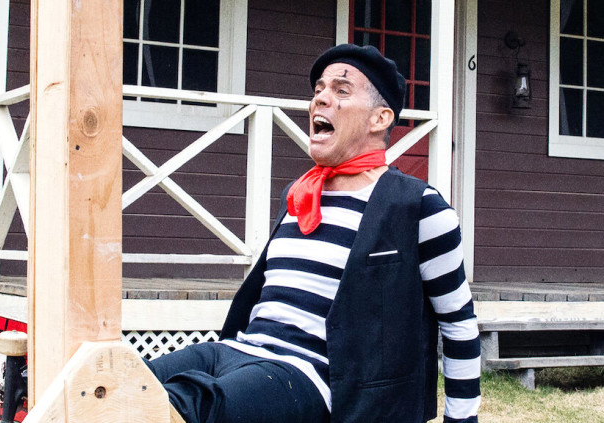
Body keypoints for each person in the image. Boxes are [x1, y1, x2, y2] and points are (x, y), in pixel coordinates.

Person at [145, 44, 481, 423]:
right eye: (319, 89)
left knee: (188, 405)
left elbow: (459, 324)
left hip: (309, 375)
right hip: (236, 350)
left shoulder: (418, 207)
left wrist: (462, 420)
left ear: (380, 118)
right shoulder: (299, 196)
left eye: (341, 90)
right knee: (121, 384)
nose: (320, 98)